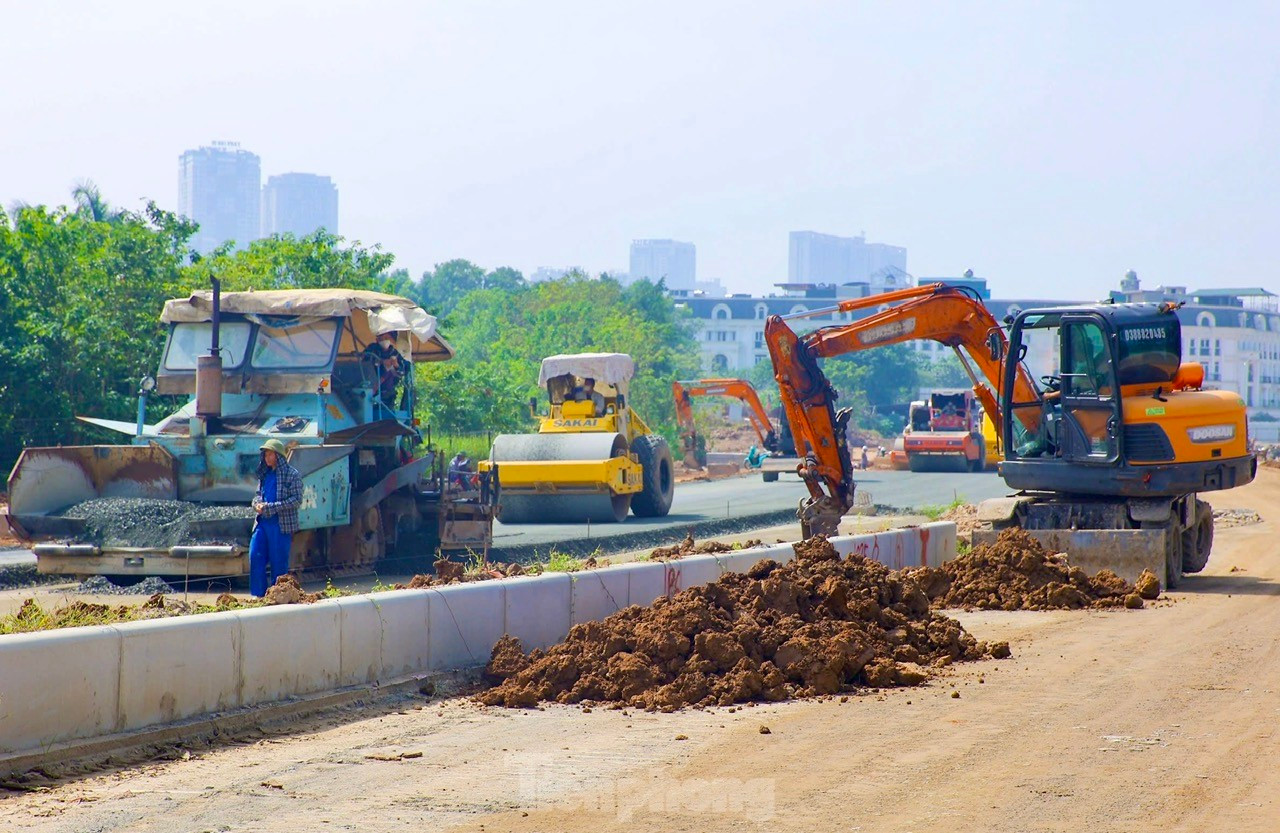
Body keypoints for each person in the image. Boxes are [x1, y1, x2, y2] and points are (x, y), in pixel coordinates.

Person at [249, 438, 303, 597]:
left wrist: (272, 507)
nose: (267, 458)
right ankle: (258, 596)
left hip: (281, 526)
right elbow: (257, 496)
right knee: (255, 556)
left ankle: (278, 596)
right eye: (265, 454)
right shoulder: (264, 475)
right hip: (262, 524)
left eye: (270, 454)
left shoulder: (292, 475)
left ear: (278, 456)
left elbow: (296, 500)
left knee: (278, 562)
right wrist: (257, 504)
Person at [363, 330, 407, 408]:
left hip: (387, 393)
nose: (383, 340)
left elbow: (402, 372)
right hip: (370, 386)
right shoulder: (372, 349)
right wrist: (381, 362)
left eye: (386, 338)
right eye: (381, 338)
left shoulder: (395, 353)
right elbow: (365, 361)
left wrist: (396, 365)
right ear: (377, 339)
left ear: (390, 339)